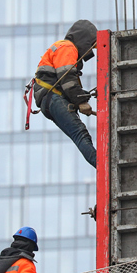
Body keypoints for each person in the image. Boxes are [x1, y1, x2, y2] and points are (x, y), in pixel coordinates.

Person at [33, 20, 98, 168]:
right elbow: (67, 80)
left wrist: (82, 98)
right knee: (80, 134)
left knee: (79, 135)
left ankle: (102, 165)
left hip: (51, 100)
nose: (90, 51)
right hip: (53, 98)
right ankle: (104, 166)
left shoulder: (65, 49)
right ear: (84, 39)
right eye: (91, 45)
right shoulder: (67, 47)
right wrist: (81, 102)